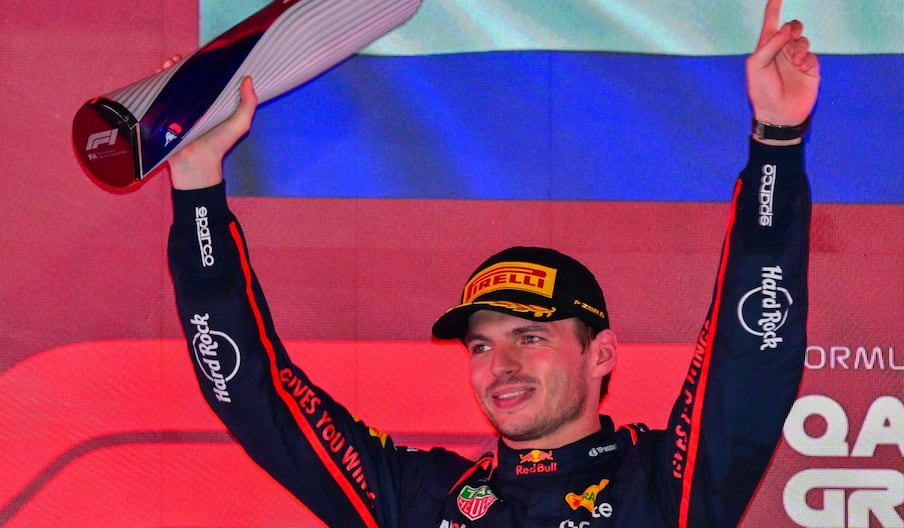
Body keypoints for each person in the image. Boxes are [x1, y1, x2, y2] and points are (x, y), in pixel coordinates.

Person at [166, 0, 818, 525]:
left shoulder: (663, 486)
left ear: (601, 353)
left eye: (530, 337)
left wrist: (777, 143)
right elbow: (253, 394)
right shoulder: (421, 499)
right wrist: (196, 185)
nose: (499, 365)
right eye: (481, 345)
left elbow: (751, 357)